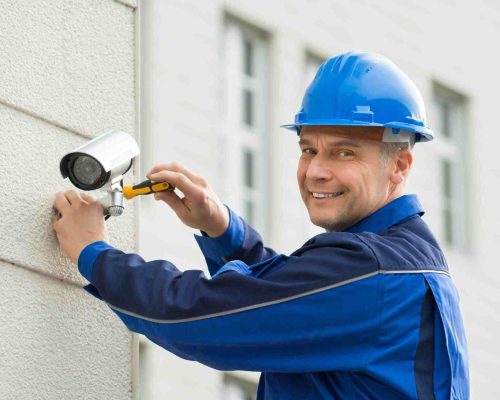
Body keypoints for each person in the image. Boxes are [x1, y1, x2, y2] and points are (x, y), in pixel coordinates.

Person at [52, 51, 469, 399]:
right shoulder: (403, 262)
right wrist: (223, 231)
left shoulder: (372, 272)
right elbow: (291, 298)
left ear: (399, 165)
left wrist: (94, 253)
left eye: (344, 153)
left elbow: (196, 315)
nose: (316, 172)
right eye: (308, 149)